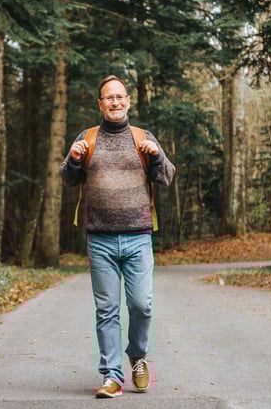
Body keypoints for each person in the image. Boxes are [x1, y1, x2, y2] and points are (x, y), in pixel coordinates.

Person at [60, 75, 175, 398]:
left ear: (128, 101)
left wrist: (155, 155)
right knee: (107, 310)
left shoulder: (142, 137)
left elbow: (166, 176)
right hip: (100, 239)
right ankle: (112, 375)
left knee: (142, 305)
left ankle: (137, 356)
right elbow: (68, 179)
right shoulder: (88, 138)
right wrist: (74, 159)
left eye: (120, 96)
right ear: (100, 104)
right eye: (108, 97)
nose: (115, 102)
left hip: (138, 236)